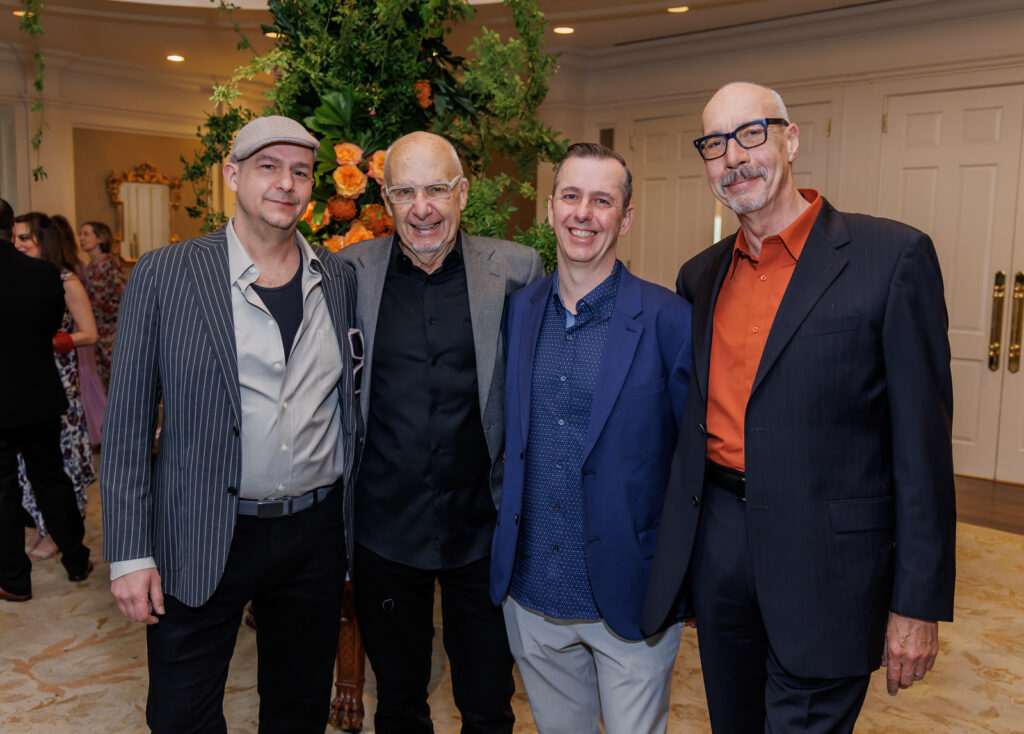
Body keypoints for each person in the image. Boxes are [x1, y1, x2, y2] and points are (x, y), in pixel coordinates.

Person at [642, 82, 957, 733]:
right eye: (714, 145)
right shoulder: (698, 277)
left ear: (790, 139)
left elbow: (922, 451)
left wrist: (917, 604)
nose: (734, 158)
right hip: (722, 548)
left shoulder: (890, 258)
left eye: (751, 134)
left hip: (832, 567)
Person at [100, 115, 361, 734]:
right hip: (201, 528)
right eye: (269, 167)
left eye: (300, 171)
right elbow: (129, 424)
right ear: (232, 174)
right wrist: (129, 552)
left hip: (314, 535)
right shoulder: (166, 274)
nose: (286, 184)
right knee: (181, 714)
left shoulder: (339, 278)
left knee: (299, 711)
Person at [338, 130, 543, 734]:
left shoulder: (515, 270)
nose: (422, 207)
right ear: (384, 197)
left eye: (436, 189)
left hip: (481, 529)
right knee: (398, 700)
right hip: (385, 530)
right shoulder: (348, 273)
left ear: (462, 192)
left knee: (487, 700)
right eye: (405, 191)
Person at [490, 142, 693, 734]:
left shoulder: (669, 320)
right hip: (531, 596)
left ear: (625, 218)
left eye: (602, 201)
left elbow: (691, 467)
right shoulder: (518, 310)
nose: (584, 213)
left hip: (631, 598)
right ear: (550, 209)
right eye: (572, 196)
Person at [0, 199, 94, 602]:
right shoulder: (45, 274)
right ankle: (76, 559)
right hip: (39, 392)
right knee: (51, 479)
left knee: (2, 491)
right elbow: (50, 327)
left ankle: (14, 580)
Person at [76, 219, 124, 389]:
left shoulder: (110, 264)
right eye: (80, 234)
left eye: (86, 234)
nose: (81, 238)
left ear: (100, 238)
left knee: (113, 382)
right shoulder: (88, 268)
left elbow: (120, 297)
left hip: (110, 333)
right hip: (95, 332)